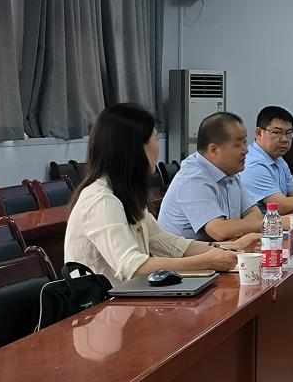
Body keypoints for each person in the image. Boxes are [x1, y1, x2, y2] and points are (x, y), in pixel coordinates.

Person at [64, 104, 258, 284]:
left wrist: (231, 248)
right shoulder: (102, 200)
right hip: (104, 305)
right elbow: (133, 267)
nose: (157, 148)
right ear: (135, 148)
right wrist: (207, 261)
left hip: (128, 297)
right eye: (155, 140)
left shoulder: (125, 194)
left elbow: (169, 244)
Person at [158, 111, 286, 241]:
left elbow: (253, 213)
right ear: (213, 150)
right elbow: (219, 231)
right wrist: (275, 222)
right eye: (238, 144)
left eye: (245, 142)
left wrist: (241, 229)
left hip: (222, 249)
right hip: (190, 254)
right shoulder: (193, 179)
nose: (246, 150)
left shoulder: (230, 171)